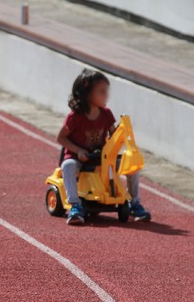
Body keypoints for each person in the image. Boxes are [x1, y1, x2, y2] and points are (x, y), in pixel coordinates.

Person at [56, 69, 151, 226]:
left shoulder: (106, 114)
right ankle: (75, 205)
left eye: (107, 91)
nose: (106, 95)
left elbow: (114, 136)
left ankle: (135, 204)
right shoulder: (75, 117)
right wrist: (78, 151)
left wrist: (122, 136)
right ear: (87, 94)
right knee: (68, 166)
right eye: (101, 92)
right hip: (79, 157)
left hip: (102, 158)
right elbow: (61, 138)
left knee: (132, 167)